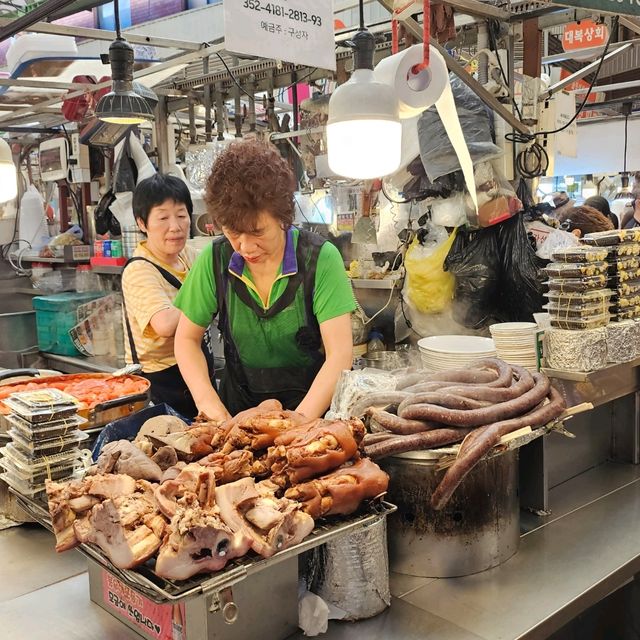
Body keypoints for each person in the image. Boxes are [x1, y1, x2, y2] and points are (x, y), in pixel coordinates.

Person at [174, 140, 356, 421]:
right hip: (236, 414)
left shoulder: (321, 259)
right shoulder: (214, 259)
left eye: (257, 232)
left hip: (311, 416)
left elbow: (340, 355)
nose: (245, 247)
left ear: (283, 217)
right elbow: (186, 339)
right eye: (234, 232)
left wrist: (298, 425)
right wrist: (208, 403)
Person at [122, 173, 209, 418]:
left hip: (196, 369)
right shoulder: (139, 269)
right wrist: (204, 295)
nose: (175, 226)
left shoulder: (189, 256)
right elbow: (165, 324)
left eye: (182, 216)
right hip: (162, 381)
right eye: (163, 218)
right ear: (142, 223)